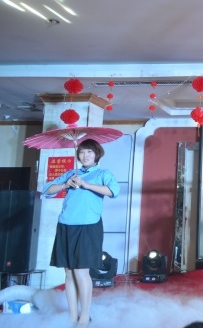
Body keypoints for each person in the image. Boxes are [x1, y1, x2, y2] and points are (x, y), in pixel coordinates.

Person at [42, 138, 120, 326]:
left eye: (89, 152)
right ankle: (72, 315)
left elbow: (113, 191)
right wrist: (66, 184)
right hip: (65, 225)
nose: (85, 155)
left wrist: (86, 184)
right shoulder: (71, 174)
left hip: (88, 226)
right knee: (68, 273)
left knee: (80, 272)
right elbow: (47, 190)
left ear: (97, 155)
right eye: (82, 152)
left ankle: (84, 315)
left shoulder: (102, 173)